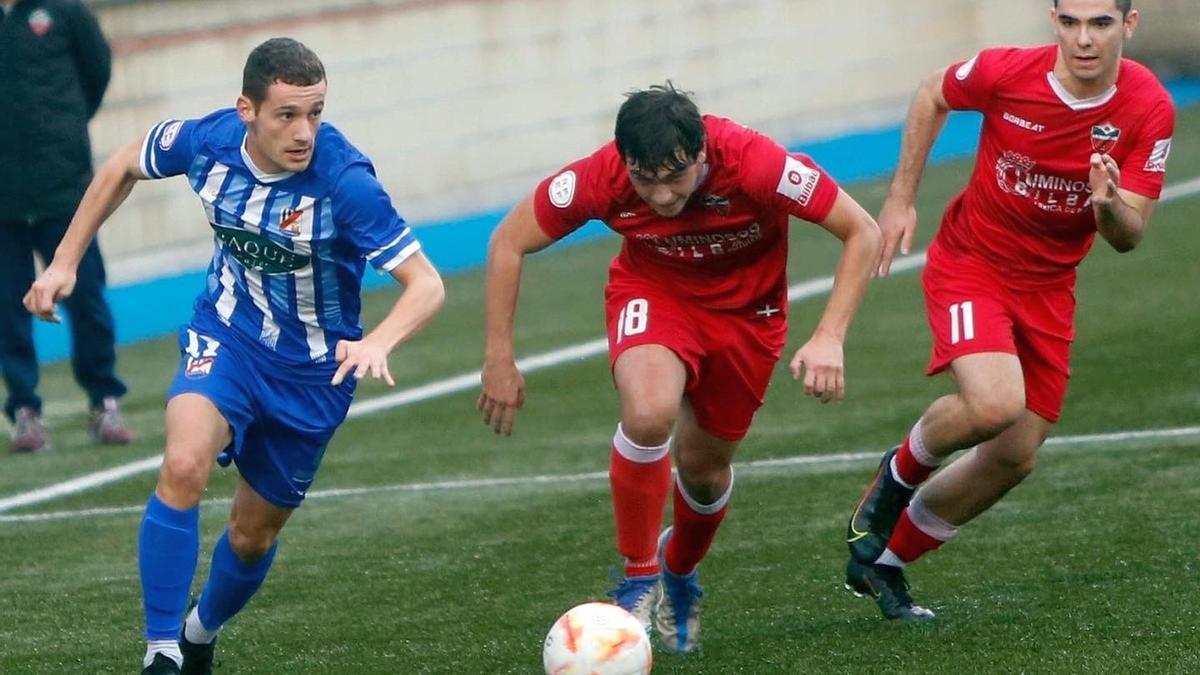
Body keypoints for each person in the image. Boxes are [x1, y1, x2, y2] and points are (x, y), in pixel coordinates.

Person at [25, 38, 445, 673]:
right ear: (246, 109)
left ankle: (199, 631)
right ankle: (161, 650)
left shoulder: (345, 183)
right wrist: (64, 261)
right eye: (286, 115)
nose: (304, 132)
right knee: (184, 462)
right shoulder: (207, 142)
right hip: (227, 336)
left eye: (316, 113)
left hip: (312, 374)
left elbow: (427, 283)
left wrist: (379, 340)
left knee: (252, 536)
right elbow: (121, 165)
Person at [479, 82, 881, 653]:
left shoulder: (754, 162)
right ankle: (638, 579)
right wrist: (499, 357)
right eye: (646, 180)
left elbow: (862, 231)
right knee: (648, 413)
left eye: (676, 177)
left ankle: (678, 568)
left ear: (701, 154)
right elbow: (507, 241)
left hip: (749, 315)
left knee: (704, 468)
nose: (662, 195)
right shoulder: (602, 176)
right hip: (656, 293)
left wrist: (829, 336)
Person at [844, 0, 1175, 621]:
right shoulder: (1006, 74)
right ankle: (895, 475)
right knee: (994, 403)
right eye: (1070, 22)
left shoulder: (1148, 107)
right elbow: (930, 94)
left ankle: (882, 561)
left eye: (1100, 23)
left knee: (1014, 454)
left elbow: (1129, 234)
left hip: (1050, 286)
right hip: (973, 262)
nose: (1084, 39)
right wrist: (900, 198)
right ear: (1053, 20)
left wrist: (1105, 204)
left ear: (1128, 26)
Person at [0, 0, 132, 451]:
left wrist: (64, 124)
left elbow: (96, 73)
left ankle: (105, 401)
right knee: (7, 309)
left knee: (86, 297)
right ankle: (24, 410)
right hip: (4, 200)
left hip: (64, 191)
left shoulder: (64, 12)